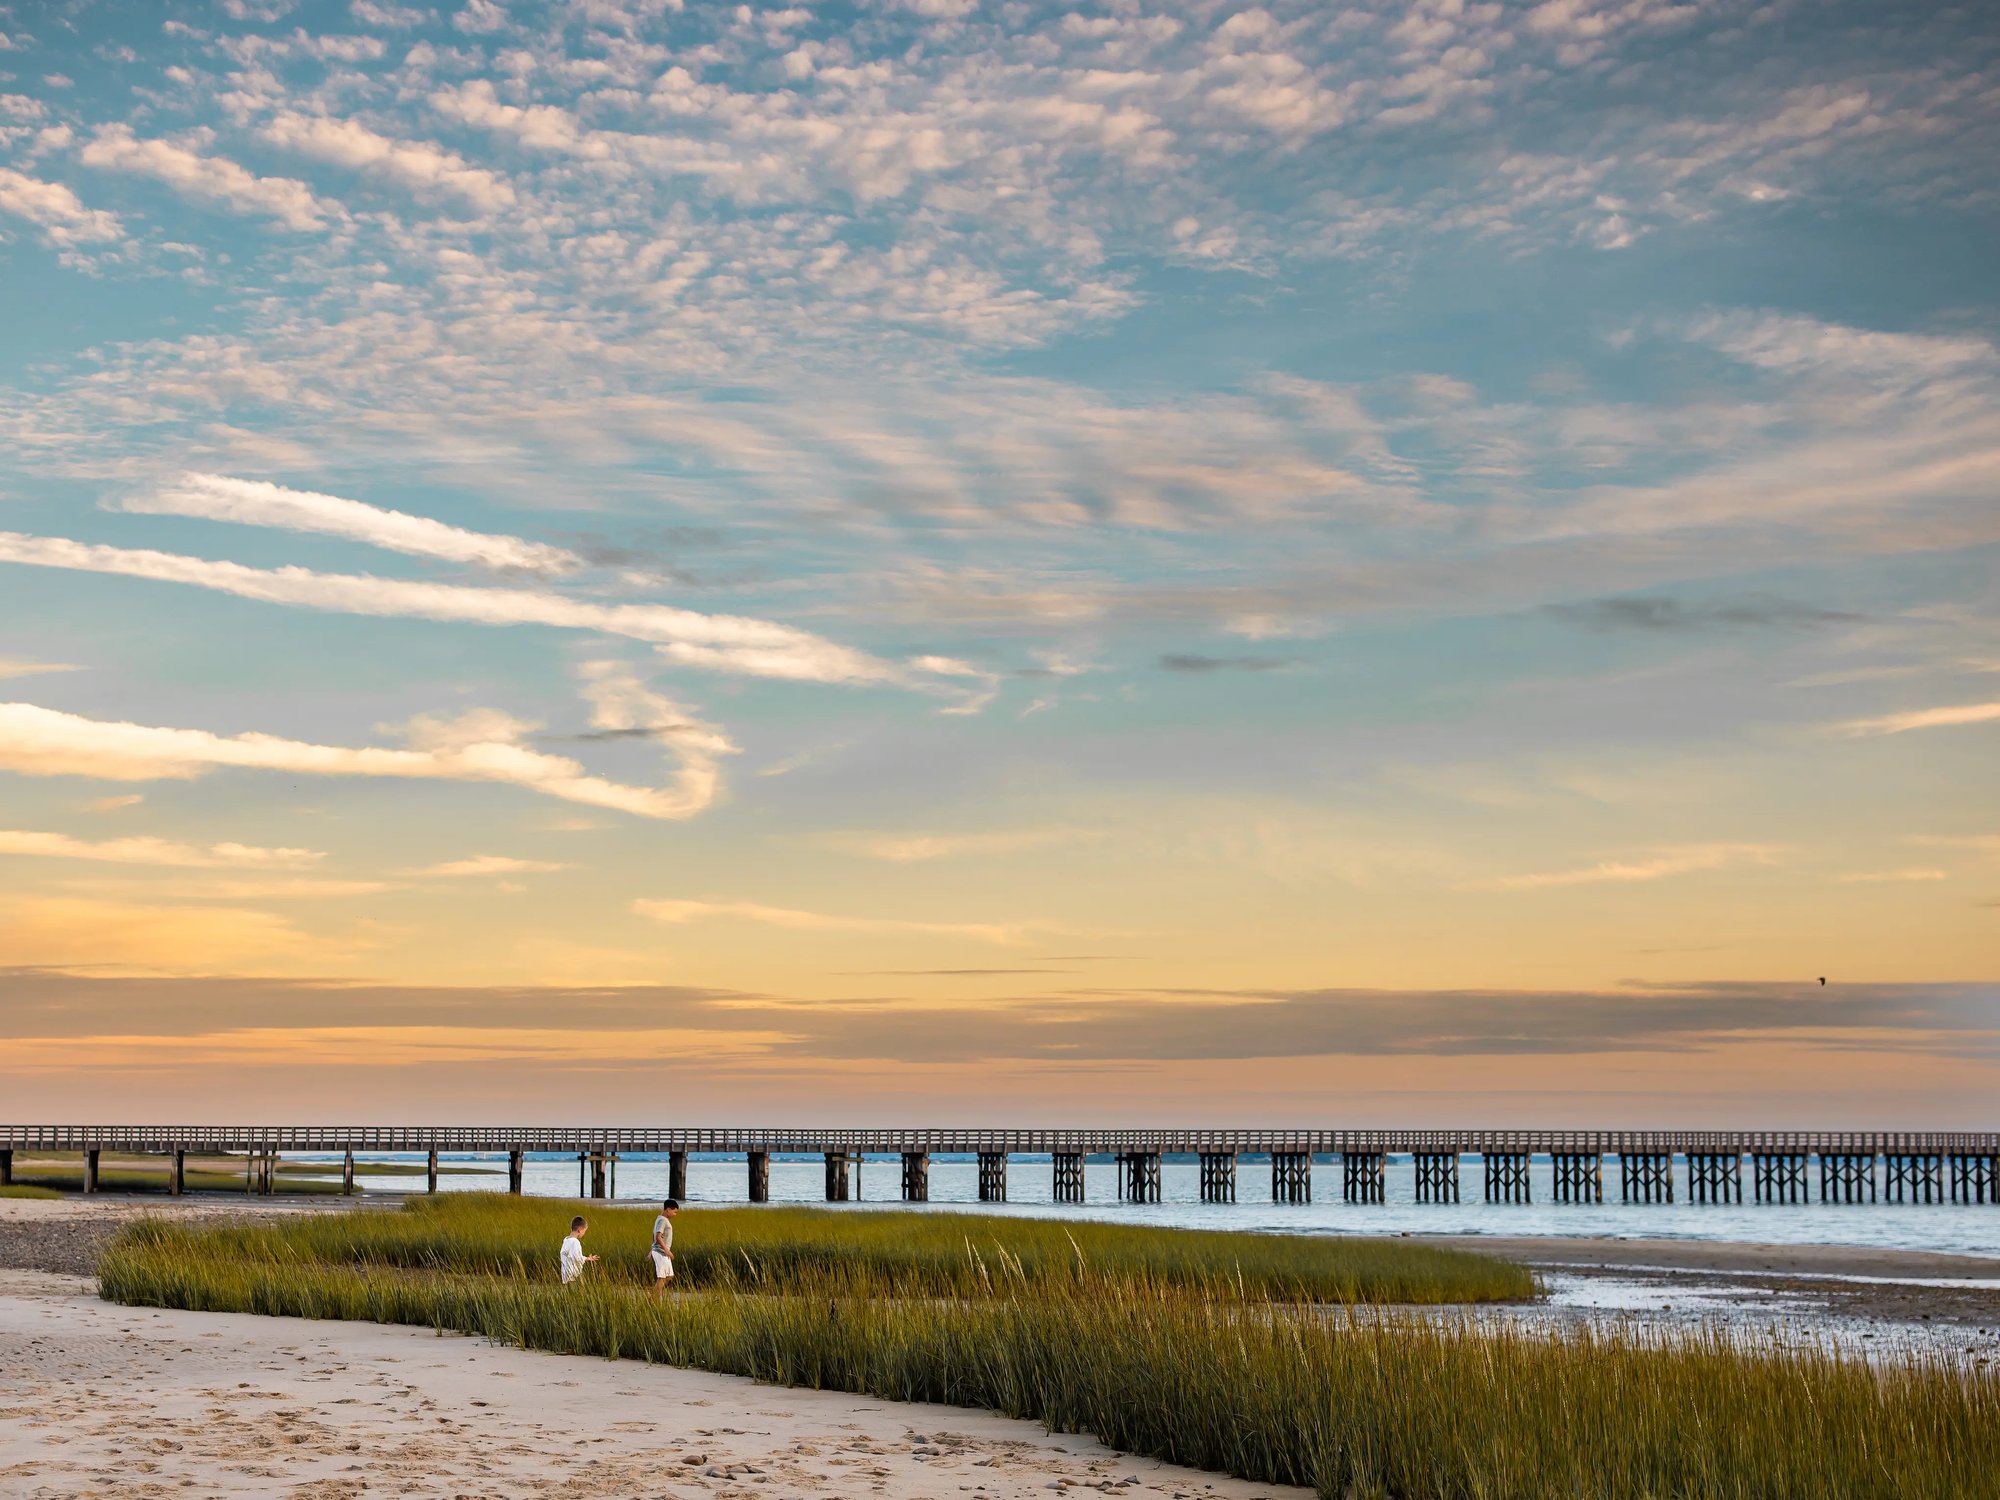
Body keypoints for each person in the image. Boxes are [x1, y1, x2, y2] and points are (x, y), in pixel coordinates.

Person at [650, 1199, 679, 1297]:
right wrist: (667, 1251)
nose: (675, 1215)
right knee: (662, 1277)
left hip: (661, 1252)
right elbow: (658, 1236)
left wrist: (651, 1250)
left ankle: (657, 1293)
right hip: (661, 1252)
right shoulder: (663, 1220)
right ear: (668, 1210)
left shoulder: (660, 1219)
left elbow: (653, 1235)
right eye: (674, 1212)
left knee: (669, 1276)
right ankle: (653, 1298)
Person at [560, 1215, 598, 1285]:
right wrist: (585, 1259)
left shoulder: (566, 1240)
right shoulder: (575, 1242)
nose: (584, 1233)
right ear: (579, 1230)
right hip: (574, 1277)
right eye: (584, 1231)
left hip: (565, 1276)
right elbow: (577, 1258)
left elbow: (572, 1256)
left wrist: (587, 1258)